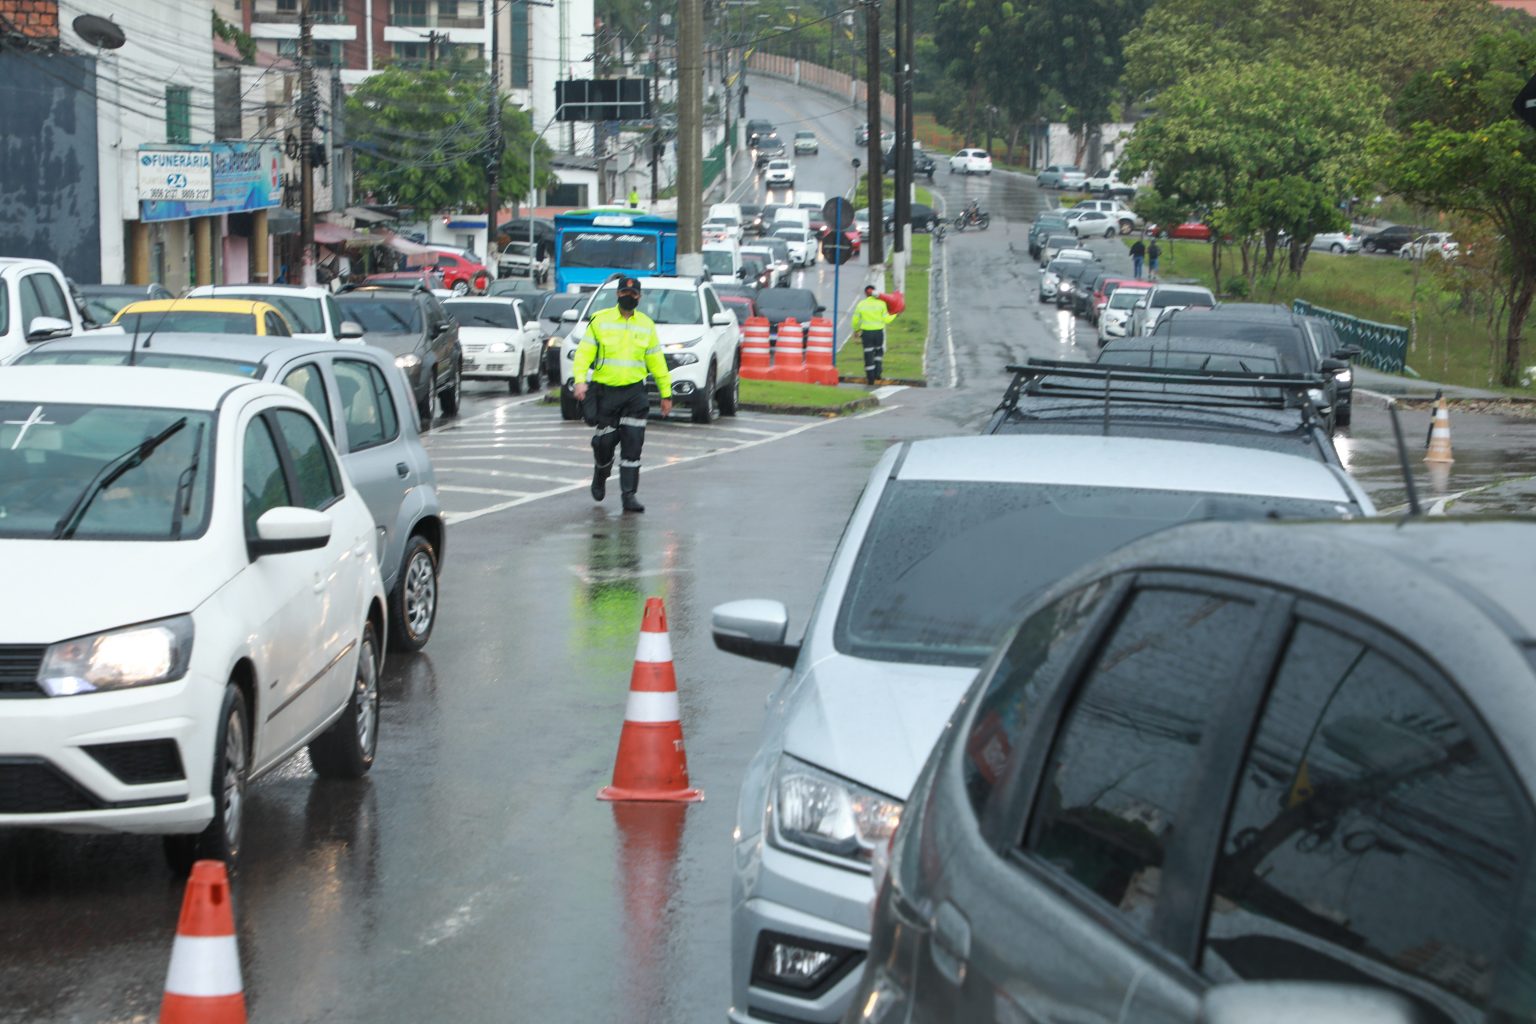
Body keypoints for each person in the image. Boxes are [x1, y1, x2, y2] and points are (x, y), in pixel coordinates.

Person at [572, 278, 672, 513]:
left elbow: (657, 361)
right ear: (618, 294)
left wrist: (666, 393)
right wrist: (579, 381)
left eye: (633, 293)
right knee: (605, 443)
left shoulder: (646, 325)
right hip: (606, 392)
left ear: (639, 297)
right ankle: (601, 472)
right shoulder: (600, 320)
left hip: (635, 393)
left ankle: (629, 495)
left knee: (633, 444)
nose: (629, 296)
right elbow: (584, 353)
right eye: (625, 292)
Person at [850, 284, 896, 386]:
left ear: (865, 294)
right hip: (878, 333)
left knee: (868, 354)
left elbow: (855, 320)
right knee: (878, 351)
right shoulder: (881, 304)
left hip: (866, 334)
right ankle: (878, 373)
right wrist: (894, 314)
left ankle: (870, 378)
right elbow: (886, 319)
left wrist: (856, 330)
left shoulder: (861, 304)